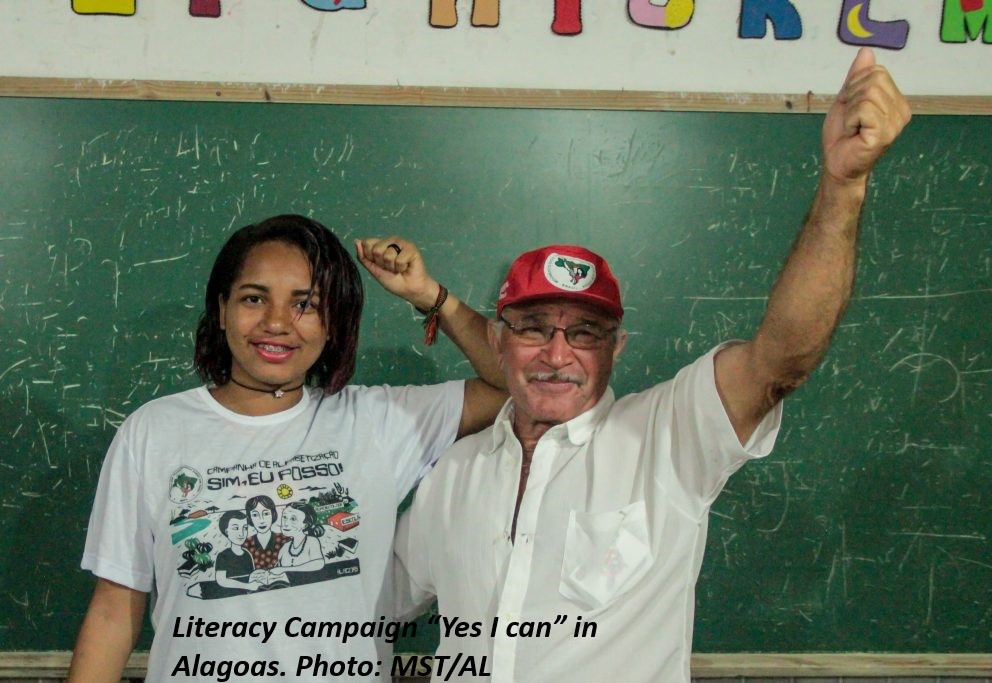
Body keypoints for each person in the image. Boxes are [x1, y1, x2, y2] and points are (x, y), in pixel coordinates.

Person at [393, 48, 912, 682]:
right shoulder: (451, 474)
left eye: (585, 333)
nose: (557, 353)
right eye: (532, 328)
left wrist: (843, 186)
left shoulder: (668, 439)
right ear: (498, 343)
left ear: (616, 348)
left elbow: (781, 361)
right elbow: (370, 601)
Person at [69, 214, 507, 682]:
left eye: (306, 304)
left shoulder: (377, 423)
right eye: (253, 298)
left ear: (333, 322)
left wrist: (428, 295)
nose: (277, 322)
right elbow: (114, 612)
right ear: (221, 309)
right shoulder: (153, 431)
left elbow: (512, 383)